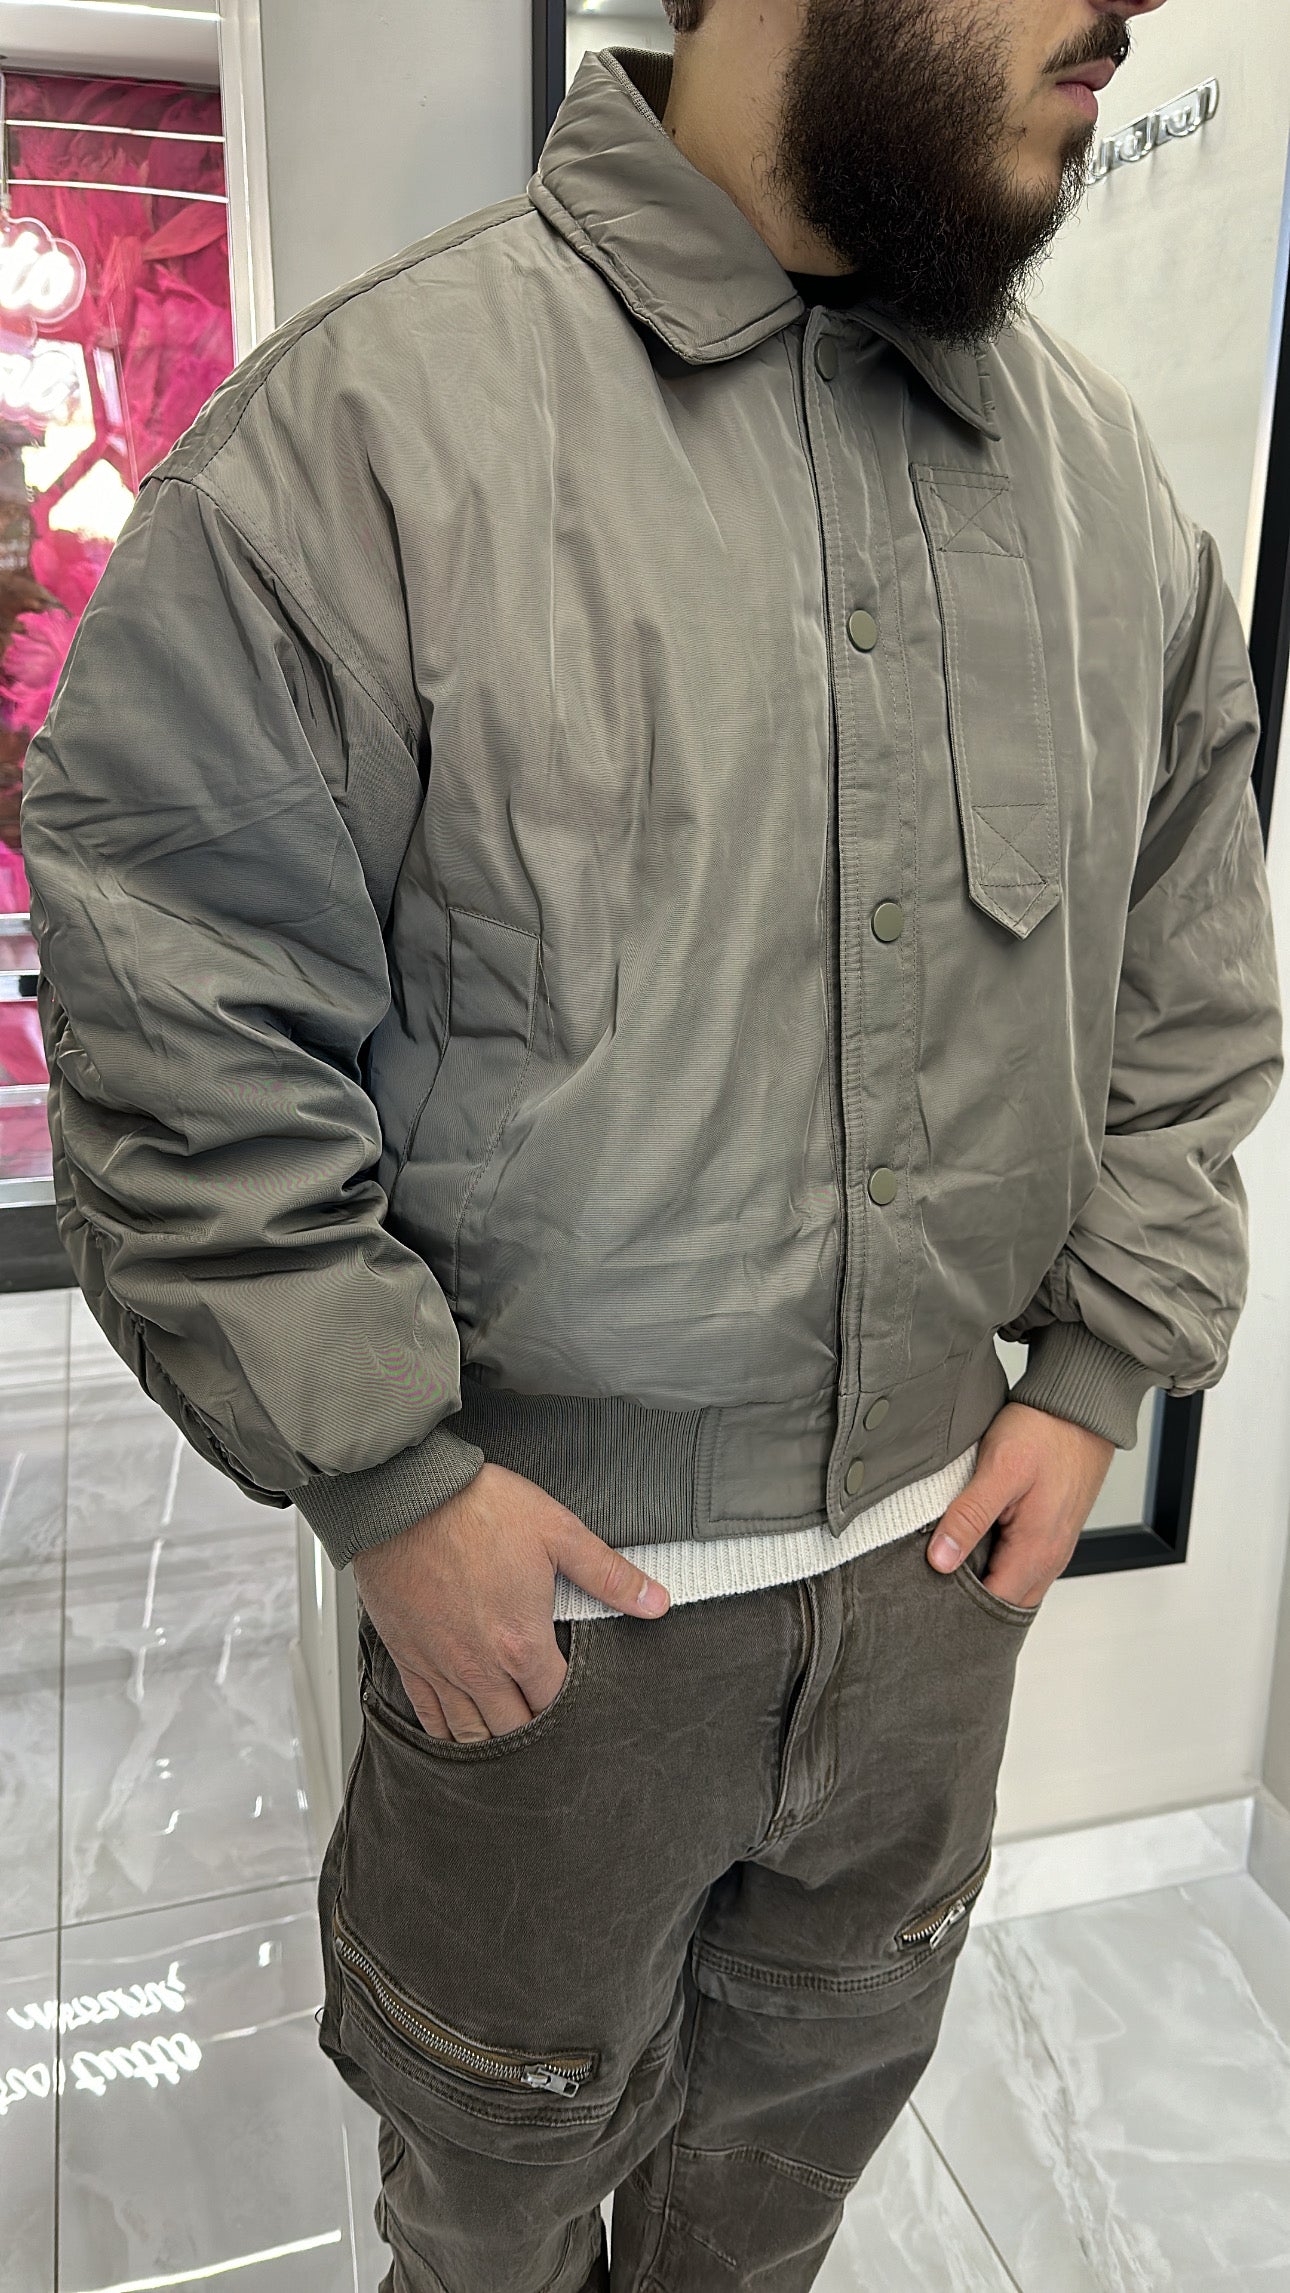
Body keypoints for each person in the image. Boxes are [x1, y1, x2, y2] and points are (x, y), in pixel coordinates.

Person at [19, 0, 1284, 2285]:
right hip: (549, 1647)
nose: (1136, 4)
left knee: (777, 2180)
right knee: (490, 2206)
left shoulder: (1107, 493)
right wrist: (387, 1479)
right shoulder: (364, 445)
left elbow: (1190, 980)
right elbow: (174, 1020)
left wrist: (1103, 1370)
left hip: (938, 1609)